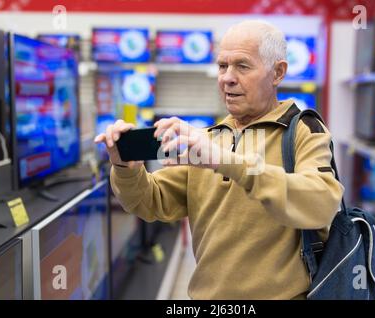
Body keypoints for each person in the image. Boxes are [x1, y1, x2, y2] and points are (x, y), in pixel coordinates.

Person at [94, 20, 344, 299]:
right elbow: (150, 203)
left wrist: (226, 161)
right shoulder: (206, 139)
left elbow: (320, 204)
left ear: (278, 72)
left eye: (242, 66)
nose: (227, 78)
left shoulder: (303, 132)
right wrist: (125, 167)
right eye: (222, 66)